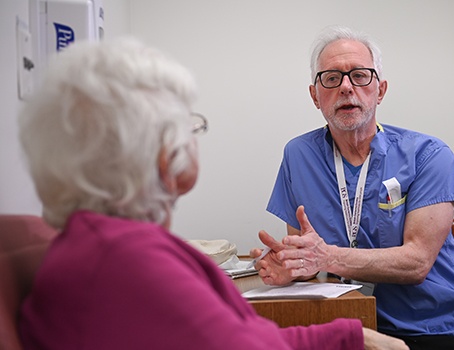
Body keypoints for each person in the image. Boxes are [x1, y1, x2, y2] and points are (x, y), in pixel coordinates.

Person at [17, 37, 408, 350]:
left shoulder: (94, 245)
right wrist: (351, 337)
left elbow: (239, 338)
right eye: (189, 124)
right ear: (164, 154)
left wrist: (352, 336)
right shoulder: (129, 260)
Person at [252, 26, 454, 349]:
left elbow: (416, 262)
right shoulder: (298, 155)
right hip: (353, 323)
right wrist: (290, 270)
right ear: (314, 95)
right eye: (332, 78)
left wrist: (324, 257)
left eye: (360, 76)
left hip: (440, 326)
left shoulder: (429, 155)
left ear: (380, 90)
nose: (347, 87)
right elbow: (305, 257)